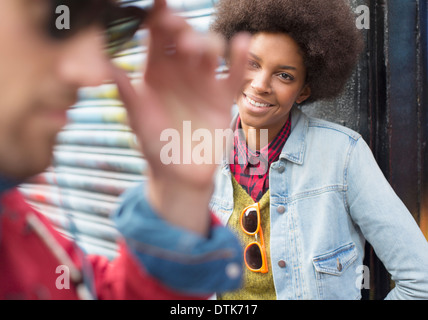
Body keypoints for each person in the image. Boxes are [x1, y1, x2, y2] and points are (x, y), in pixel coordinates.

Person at [0, 0, 251, 299]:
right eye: (57, 20)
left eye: (111, 28)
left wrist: (179, 192)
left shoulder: (16, 228)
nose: (95, 73)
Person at [208, 0, 428, 299]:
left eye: (284, 75)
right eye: (251, 63)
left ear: (304, 91)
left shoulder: (343, 156)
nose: (260, 84)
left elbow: (421, 280)